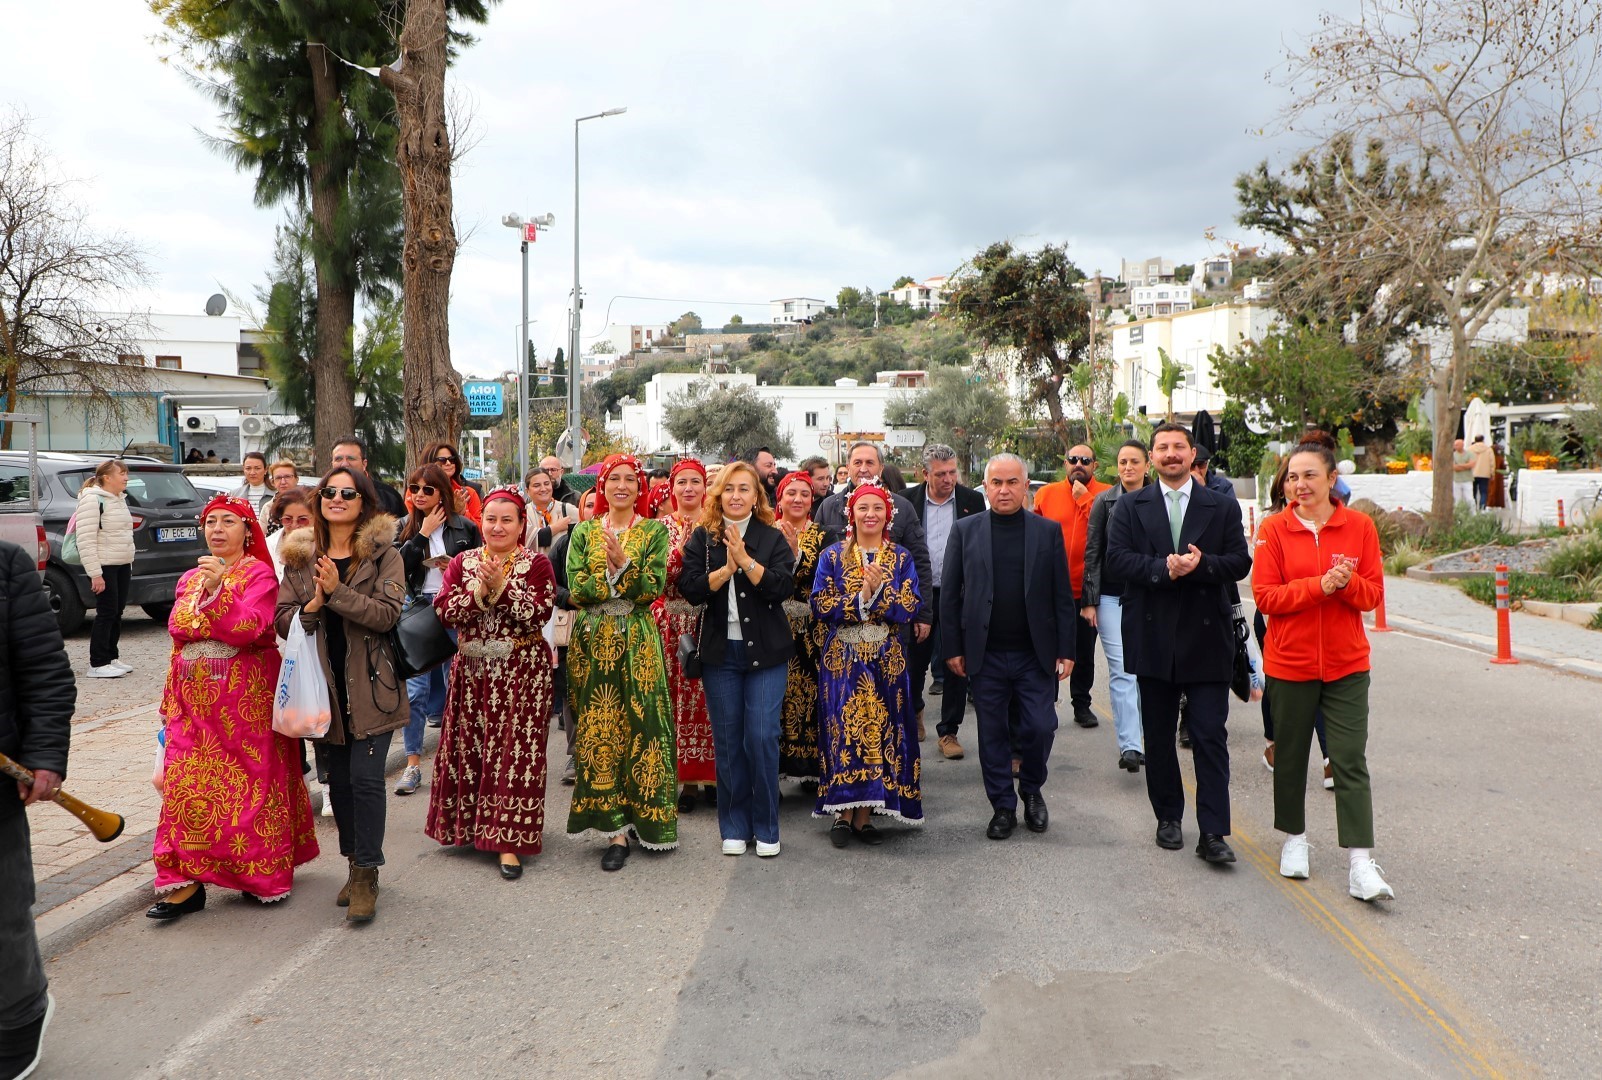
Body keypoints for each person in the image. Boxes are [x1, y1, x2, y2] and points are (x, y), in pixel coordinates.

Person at [148, 495, 318, 920]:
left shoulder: (259, 575)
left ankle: (255, 874)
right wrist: (169, 703)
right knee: (184, 789)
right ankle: (184, 883)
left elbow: (248, 629)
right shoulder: (189, 577)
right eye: (210, 522)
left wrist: (218, 591)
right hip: (193, 705)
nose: (217, 529)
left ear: (247, 530)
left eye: (228, 521)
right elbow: (178, 639)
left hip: (246, 702)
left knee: (249, 789)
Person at [1105, 423, 1252, 864]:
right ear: (1152, 457)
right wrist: (1161, 570)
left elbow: (1239, 562)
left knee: (1209, 736)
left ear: (1192, 455)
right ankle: (1168, 816)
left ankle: (1213, 833)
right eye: (1163, 448)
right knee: (1159, 736)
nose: (1171, 455)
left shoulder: (1221, 505)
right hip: (1152, 636)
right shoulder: (1130, 507)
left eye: (1179, 448)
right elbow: (1117, 560)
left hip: (1207, 639)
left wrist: (1202, 565)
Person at [1253, 439, 1393, 901]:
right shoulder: (1274, 531)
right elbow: (1267, 598)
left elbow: (1372, 596)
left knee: (1349, 758)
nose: (1299, 484)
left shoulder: (1360, 527)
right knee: (1290, 757)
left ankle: (1360, 863)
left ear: (1332, 479)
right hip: (1290, 663)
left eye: (1309, 475)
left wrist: (1347, 582)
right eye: (1292, 476)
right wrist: (1319, 586)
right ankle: (1294, 841)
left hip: (1347, 665)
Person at [276, 467, 406, 922]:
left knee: (367, 780)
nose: (336, 498)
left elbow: (386, 615)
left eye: (347, 493)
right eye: (328, 491)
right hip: (322, 689)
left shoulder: (384, 554)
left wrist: (336, 592)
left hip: (373, 687)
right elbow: (283, 620)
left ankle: (368, 873)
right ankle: (354, 863)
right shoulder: (300, 556)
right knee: (341, 784)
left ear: (363, 501)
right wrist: (313, 603)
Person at [942, 455, 1076, 839]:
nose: (1004, 490)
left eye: (1012, 482)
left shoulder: (1047, 532)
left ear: (1026, 485)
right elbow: (950, 595)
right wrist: (952, 646)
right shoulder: (965, 531)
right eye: (996, 482)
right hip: (985, 654)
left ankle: (1031, 790)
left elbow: (1061, 596)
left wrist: (1067, 649)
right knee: (993, 734)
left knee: (1040, 727)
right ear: (985, 486)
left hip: (1035, 654)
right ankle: (1002, 805)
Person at [426, 487, 555, 880]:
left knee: (514, 755)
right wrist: (479, 594)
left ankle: (508, 841)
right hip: (471, 673)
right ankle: (470, 828)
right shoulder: (462, 562)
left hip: (523, 674)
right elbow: (445, 611)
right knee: (472, 749)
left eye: (507, 520)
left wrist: (500, 588)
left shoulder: (537, 564)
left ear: (522, 525)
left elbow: (538, 613)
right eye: (491, 519)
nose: (497, 527)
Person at [565, 454, 676, 870]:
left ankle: (646, 819)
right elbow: (576, 587)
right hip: (593, 641)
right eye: (615, 479)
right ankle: (614, 830)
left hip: (637, 639)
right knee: (601, 726)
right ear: (603, 487)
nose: (623, 486)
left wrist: (624, 568)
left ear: (640, 487)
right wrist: (608, 577)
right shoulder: (582, 532)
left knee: (644, 724)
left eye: (631, 479)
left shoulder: (653, 532)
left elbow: (653, 586)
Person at [678, 462, 795, 856]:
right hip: (719, 654)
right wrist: (725, 570)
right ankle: (734, 825)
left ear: (757, 496)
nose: (736, 496)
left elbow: (781, 588)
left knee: (762, 737)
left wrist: (745, 562)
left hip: (767, 654)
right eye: (729, 489)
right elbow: (690, 588)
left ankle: (766, 826)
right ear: (719, 494)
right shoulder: (703, 538)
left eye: (744, 489)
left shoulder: (771, 536)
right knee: (728, 742)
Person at [810, 484, 923, 846]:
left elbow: (909, 607)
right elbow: (820, 605)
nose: (870, 514)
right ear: (851, 514)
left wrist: (879, 596)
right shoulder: (831, 556)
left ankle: (865, 815)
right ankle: (842, 812)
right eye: (863, 508)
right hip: (842, 657)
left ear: (888, 515)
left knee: (883, 728)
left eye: (878, 508)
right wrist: (859, 598)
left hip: (886, 658)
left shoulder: (902, 558)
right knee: (843, 728)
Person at [0, 540, 74, 1079]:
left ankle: (20, 1015)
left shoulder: (7, 565)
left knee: (4, 912)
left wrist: (45, 756)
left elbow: (45, 670)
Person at [394, 463, 482, 797]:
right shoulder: (402, 526)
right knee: (415, 692)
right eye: (414, 488)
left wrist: (454, 568)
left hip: (456, 609)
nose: (418, 495)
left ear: (442, 492)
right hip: (418, 612)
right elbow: (397, 568)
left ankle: (458, 763)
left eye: (427, 489)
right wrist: (420, 533)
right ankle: (412, 764)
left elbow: (479, 565)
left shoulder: (465, 527)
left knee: (458, 688)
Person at [902, 444, 985, 757]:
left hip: (958, 596)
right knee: (913, 664)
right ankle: (916, 709)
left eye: (953, 472)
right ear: (925, 474)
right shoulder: (905, 501)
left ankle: (949, 732)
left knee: (956, 665)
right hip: (918, 595)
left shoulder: (972, 500)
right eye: (941, 474)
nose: (949, 479)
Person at [814, 441, 933, 650]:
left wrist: (923, 614)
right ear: (848, 467)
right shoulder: (828, 506)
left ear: (881, 468)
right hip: (841, 629)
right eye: (857, 462)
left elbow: (920, 562)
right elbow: (817, 565)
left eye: (870, 462)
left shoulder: (902, 507)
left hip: (890, 625)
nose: (863, 468)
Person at [1081, 440, 1152, 773]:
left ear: (1146, 465)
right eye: (1123, 462)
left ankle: (1147, 737)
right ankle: (1130, 746)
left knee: (1148, 671)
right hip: (1110, 597)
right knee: (1122, 669)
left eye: (1134, 461)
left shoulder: (1162, 500)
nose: (1127, 467)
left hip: (1152, 597)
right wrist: (1090, 601)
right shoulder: (1103, 502)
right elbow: (1092, 552)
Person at [1033, 443, 1111, 729]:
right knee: (1046, 648)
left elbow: (1108, 532)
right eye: (1073, 459)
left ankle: (1082, 705)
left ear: (1095, 466)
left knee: (1083, 652)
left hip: (1086, 590)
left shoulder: (1105, 494)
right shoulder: (1046, 493)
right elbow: (1034, 534)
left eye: (1085, 460)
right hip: (1049, 588)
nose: (1079, 464)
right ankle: (1047, 703)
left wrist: (1085, 498)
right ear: (1064, 463)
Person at [655, 459, 716, 811]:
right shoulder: (657, 528)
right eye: (682, 482)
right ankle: (687, 783)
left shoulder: (715, 526)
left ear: (705, 488)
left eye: (695, 481)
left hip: (709, 621)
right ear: (672, 488)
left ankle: (714, 779)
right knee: (675, 700)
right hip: (671, 623)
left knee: (710, 702)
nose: (689, 488)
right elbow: (658, 576)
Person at [772, 471, 834, 783]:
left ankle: (812, 771)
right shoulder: (764, 532)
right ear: (779, 498)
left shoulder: (826, 535)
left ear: (812, 500)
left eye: (804, 494)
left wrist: (797, 553)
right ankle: (775, 769)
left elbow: (826, 577)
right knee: (775, 696)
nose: (798, 499)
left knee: (812, 693)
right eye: (791, 493)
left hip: (813, 631)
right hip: (773, 628)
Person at [75, 460, 137, 680]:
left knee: (117, 612)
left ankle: (111, 657)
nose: (126, 478)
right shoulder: (93, 500)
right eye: (122, 473)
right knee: (106, 613)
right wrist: (96, 573)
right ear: (107, 478)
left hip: (121, 564)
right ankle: (98, 663)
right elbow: (86, 539)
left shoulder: (119, 499)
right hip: (104, 565)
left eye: (126, 473)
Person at [330, 437, 407, 518]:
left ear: (364, 464)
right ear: (332, 464)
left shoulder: (388, 496)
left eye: (351, 458)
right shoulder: (323, 494)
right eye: (338, 459)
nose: (344, 464)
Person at [419, 441, 484, 525]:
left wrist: (463, 513)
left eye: (452, 459)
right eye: (442, 460)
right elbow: (412, 526)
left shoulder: (468, 493)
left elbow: (480, 532)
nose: (448, 463)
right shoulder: (415, 491)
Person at [523, 468, 579, 558]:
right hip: (534, 569)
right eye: (537, 485)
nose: (543, 489)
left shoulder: (566, 509)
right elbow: (528, 539)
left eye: (546, 484)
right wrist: (557, 527)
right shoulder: (523, 514)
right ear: (527, 491)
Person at [264, 488, 315, 573]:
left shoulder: (325, 546)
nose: (294, 525)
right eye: (287, 519)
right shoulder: (268, 545)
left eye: (302, 519)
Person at [1468, 435, 1495, 508]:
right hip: (1485, 474)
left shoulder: (1469, 449)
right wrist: (1492, 473)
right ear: (1483, 440)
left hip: (1472, 473)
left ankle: (1473, 508)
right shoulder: (1488, 449)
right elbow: (1492, 462)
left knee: (1473, 492)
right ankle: (1482, 508)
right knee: (1483, 492)